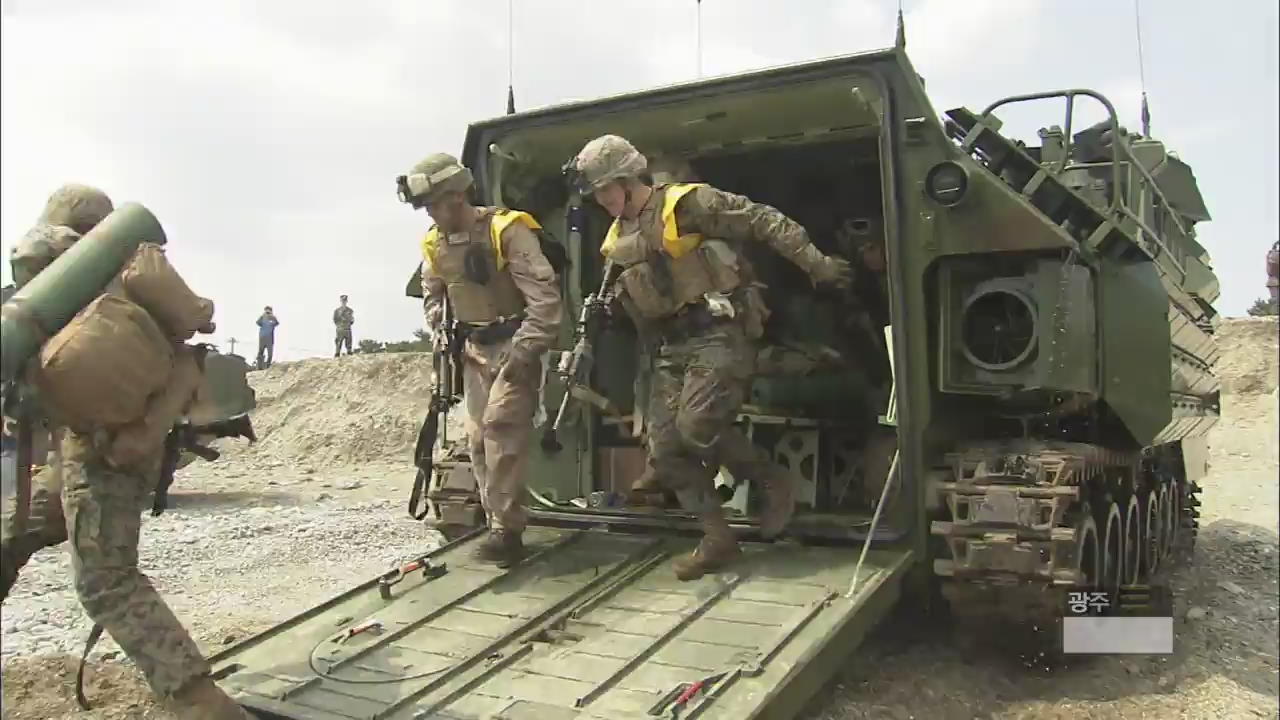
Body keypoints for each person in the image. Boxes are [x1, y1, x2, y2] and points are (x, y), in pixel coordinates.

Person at [1, 184, 251, 718]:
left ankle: (203, 705)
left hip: (100, 448)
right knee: (18, 530)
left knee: (107, 582)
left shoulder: (55, 274)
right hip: (118, 440)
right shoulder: (134, 271)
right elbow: (200, 321)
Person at [568, 134, 852, 581]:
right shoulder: (617, 237)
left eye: (605, 189)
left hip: (720, 331)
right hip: (670, 347)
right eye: (597, 193)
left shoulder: (686, 204)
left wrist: (816, 264)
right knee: (664, 453)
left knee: (697, 427)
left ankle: (771, 479)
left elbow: (762, 220)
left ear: (626, 179)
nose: (602, 201)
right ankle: (717, 538)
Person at [398, 152, 561, 566]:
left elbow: (544, 301)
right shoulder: (434, 244)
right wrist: (442, 335)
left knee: (500, 430)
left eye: (437, 203)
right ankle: (498, 523)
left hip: (514, 343)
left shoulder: (507, 230)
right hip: (471, 352)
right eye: (427, 207)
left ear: (458, 194)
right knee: (475, 440)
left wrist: (526, 351)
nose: (432, 213)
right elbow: (434, 294)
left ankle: (507, 530)